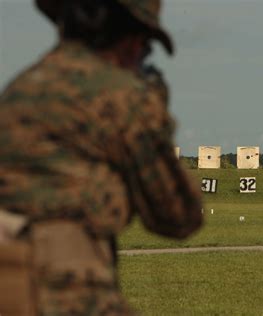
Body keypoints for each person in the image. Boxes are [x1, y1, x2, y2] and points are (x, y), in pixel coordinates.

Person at [0, 0, 203, 315]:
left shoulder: (19, 90)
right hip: (65, 289)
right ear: (131, 38)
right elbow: (177, 216)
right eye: (145, 46)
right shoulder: (123, 97)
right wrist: (155, 117)